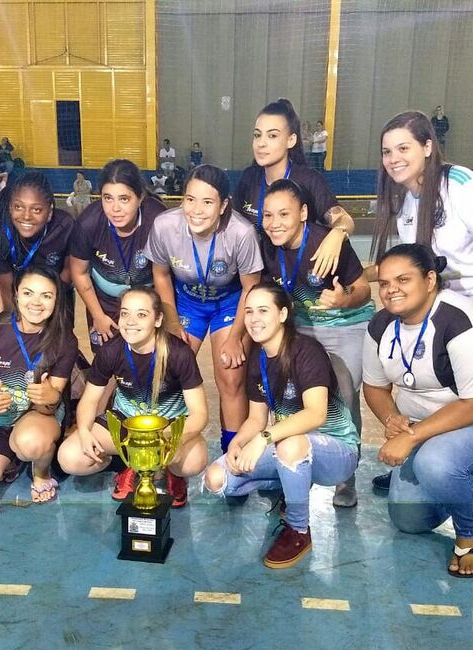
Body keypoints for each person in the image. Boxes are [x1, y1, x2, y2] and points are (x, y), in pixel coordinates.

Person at [370, 110, 473, 529]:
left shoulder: (462, 185)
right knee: (438, 385)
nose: (394, 158)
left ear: (427, 147)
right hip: (445, 305)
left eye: (403, 148)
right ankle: (423, 456)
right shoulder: (404, 199)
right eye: (387, 151)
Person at [362, 244, 473, 577]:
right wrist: (390, 417)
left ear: (429, 280)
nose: (391, 289)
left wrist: (410, 437)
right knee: (410, 520)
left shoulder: (464, 321)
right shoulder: (381, 325)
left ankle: (471, 534)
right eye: (383, 283)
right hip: (433, 430)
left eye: (403, 279)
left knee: (436, 464)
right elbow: (375, 387)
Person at [204, 284, 360, 569]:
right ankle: (291, 484)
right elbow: (255, 418)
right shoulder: (259, 358)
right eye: (249, 311)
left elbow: (316, 415)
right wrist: (238, 444)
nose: (253, 319)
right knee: (217, 480)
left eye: (263, 310)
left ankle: (299, 529)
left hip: (336, 450)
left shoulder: (306, 350)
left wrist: (263, 439)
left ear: (284, 314)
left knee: (290, 444)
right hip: (289, 448)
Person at [261, 179, 374, 506]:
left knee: (343, 392)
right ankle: (291, 463)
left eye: (284, 214)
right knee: (290, 392)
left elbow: (363, 290)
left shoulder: (327, 242)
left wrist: (343, 300)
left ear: (304, 213)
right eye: (268, 215)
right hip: (302, 326)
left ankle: (346, 476)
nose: (275, 223)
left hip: (345, 322)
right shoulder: (268, 245)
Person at [145, 164, 262, 455]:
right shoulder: (164, 226)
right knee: (167, 370)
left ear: (223, 205)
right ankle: (162, 454)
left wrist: (236, 335)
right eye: (189, 199)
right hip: (185, 303)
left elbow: (250, 288)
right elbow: (160, 275)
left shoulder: (241, 233)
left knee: (231, 375)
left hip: (229, 303)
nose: (196, 210)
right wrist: (172, 322)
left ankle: (231, 454)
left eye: (207, 202)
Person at [57, 287, 208, 507]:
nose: (130, 321)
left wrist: (171, 439)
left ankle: (172, 473)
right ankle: (129, 466)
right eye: (125, 313)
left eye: (141, 314)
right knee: (70, 457)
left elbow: (200, 413)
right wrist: (83, 431)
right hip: (126, 423)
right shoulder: (110, 351)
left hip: (168, 427)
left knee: (194, 462)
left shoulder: (179, 353)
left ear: (158, 320)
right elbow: (89, 400)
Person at [0, 267, 77, 517]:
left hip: (36, 418)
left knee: (30, 443)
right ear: (16, 294)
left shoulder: (65, 340)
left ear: (57, 300)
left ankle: (41, 472)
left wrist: (49, 398)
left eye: (46, 296)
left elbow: (52, 400)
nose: (36, 303)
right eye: (28, 293)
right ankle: (8, 458)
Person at [233, 98, 355, 279]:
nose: (261, 143)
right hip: (255, 280)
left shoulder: (308, 180)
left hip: (295, 278)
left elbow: (344, 220)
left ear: (291, 140)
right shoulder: (249, 178)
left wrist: (337, 234)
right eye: (257, 135)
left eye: (272, 136)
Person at [70, 158, 166, 355]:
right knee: (106, 361)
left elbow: (164, 275)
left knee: (146, 357)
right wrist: (98, 315)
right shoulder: (88, 223)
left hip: (146, 298)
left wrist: (162, 313)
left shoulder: (158, 220)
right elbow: (79, 273)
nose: (115, 209)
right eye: (107, 198)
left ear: (140, 198)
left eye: (124, 199)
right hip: (104, 301)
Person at [0, 170, 74, 310]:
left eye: (36, 210)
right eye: (18, 207)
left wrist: (49, 306)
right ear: (10, 208)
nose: (26, 216)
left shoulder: (64, 226)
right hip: (18, 300)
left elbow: (68, 270)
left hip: (57, 298)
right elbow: (8, 293)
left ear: (50, 212)